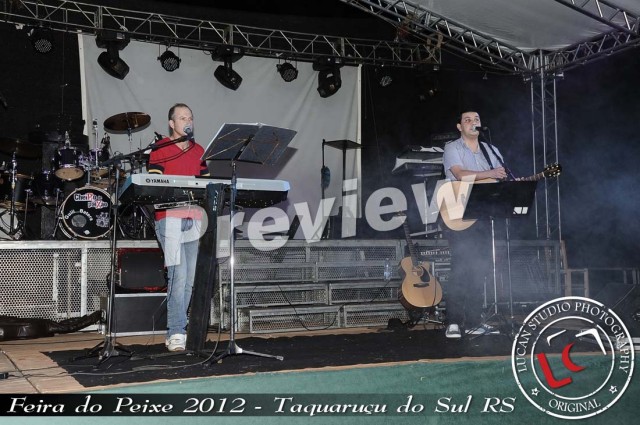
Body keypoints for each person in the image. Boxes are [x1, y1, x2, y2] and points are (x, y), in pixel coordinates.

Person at [148, 103, 210, 351]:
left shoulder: (199, 151)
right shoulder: (161, 148)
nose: (188, 121)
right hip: (170, 218)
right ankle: (176, 330)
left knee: (190, 279)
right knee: (179, 275)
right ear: (171, 124)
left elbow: (207, 185)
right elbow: (154, 183)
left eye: (190, 117)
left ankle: (179, 328)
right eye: (182, 117)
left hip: (194, 218)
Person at [441, 109, 507, 339]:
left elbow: (500, 178)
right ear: (459, 127)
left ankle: (473, 321)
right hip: (458, 213)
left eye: (476, 119)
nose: (473, 123)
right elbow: (459, 174)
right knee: (460, 267)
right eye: (467, 120)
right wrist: (490, 173)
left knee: (480, 268)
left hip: (482, 215)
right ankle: (452, 321)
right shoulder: (452, 148)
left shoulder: (491, 150)